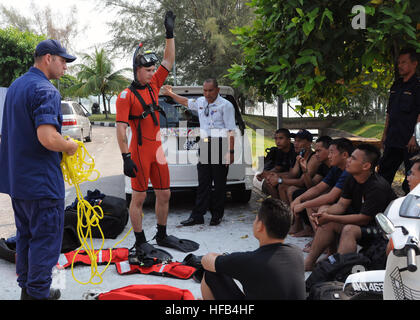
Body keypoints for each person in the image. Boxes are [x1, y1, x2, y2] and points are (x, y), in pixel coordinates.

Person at [116, 11, 197, 264]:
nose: (153, 73)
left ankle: (161, 235)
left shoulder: (153, 85)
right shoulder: (125, 96)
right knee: (139, 198)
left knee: (165, 195)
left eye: (153, 70)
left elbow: (169, 60)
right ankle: (140, 241)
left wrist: (169, 33)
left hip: (157, 150)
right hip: (139, 152)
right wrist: (125, 157)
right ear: (137, 70)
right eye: (148, 70)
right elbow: (120, 128)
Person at [0, 39, 79, 300]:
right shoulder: (46, 90)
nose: (65, 67)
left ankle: (29, 288)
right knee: (45, 244)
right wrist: (68, 145)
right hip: (42, 186)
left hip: (18, 183)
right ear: (48, 58)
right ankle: (36, 294)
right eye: (63, 60)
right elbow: (48, 137)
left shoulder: (15, 86)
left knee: (26, 238)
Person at [304, 144, 397, 271]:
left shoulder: (377, 187)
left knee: (349, 229)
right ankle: (309, 263)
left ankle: (340, 272)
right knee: (328, 219)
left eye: (353, 158)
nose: (348, 160)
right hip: (365, 225)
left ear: (366, 166)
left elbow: (363, 219)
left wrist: (329, 216)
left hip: (383, 233)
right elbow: (341, 205)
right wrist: (325, 213)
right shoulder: (351, 177)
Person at [161, 80, 236, 226]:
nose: (207, 94)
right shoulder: (201, 101)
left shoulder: (226, 105)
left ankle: (216, 215)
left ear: (217, 89)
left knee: (219, 183)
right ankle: (198, 216)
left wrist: (230, 152)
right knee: (203, 182)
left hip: (219, 144)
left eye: (210, 91)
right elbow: (185, 102)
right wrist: (170, 94)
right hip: (205, 144)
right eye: (205, 91)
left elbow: (230, 130)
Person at [200, 197, 305, 300]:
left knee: (211, 273)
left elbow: (206, 261)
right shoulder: (297, 253)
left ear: (260, 226)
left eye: (255, 219)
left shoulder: (249, 261)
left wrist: (223, 258)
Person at [290, 138, 353, 238]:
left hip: (350, 209)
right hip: (339, 204)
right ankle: (318, 238)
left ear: (344, 155)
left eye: (331, 152)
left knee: (321, 209)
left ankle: (322, 242)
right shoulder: (336, 169)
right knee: (308, 203)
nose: (329, 156)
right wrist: (299, 199)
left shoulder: (348, 172)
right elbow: (317, 188)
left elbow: (330, 197)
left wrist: (302, 204)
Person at [379, 47, 420, 194]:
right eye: (399, 63)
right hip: (393, 138)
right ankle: (379, 208)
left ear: (414, 64)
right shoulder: (396, 85)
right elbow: (390, 112)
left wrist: (415, 136)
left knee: (411, 178)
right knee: (383, 174)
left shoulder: (417, 86)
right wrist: (384, 134)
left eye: (404, 62)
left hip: (410, 143)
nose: (400, 65)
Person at [265, 129, 321, 204]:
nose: (295, 144)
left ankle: (290, 213)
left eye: (299, 141)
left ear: (309, 143)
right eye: (295, 141)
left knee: (287, 188)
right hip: (304, 185)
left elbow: (302, 182)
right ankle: (281, 210)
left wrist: (279, 180)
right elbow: (293, 173)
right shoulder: (300, 155)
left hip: (312, 187)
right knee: (277, 184)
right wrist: (272, 176)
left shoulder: (314, 158)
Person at [256, 128, 297, 198]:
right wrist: (264, 174)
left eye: (281, 138)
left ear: (288, 140)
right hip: (284, 175)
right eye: (276, 139)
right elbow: (278, 168)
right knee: (268, 181)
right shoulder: (279, 150)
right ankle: (277, 203)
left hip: (295, 178)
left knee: (277, 183)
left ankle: (282, 205)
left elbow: (292, 174)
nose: (277, 141)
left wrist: (274, 175)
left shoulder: (294, 151)